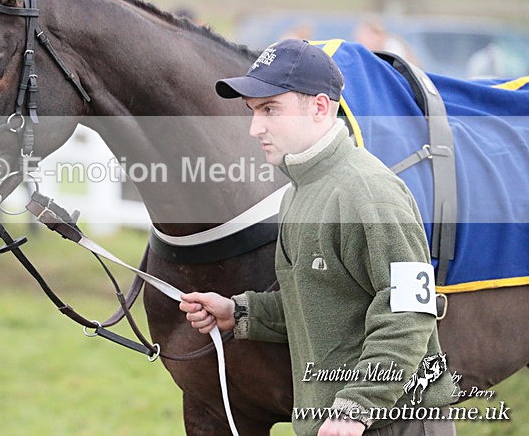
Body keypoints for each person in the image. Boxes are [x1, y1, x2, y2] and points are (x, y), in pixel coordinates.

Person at [179, 39, 456, 436]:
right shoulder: (297, 193)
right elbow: (320, 304)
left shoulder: (370, 192)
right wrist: (238, 312)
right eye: (253, 111)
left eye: (270, 109)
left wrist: (357, 408)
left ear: (320, 108)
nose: (255, 128)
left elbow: (410, 312)